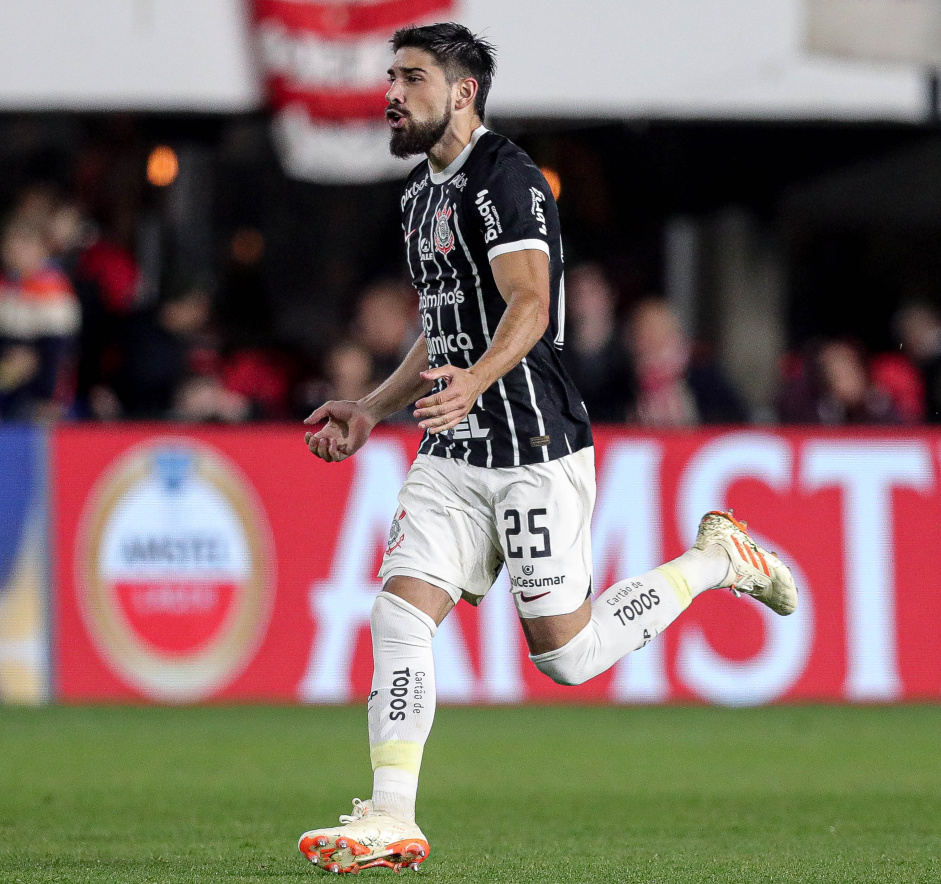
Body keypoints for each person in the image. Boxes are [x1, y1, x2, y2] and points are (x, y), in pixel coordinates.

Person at [298, 23, 798, 875]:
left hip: (533, 444)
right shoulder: (421, 194)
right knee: (397, 611)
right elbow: (442, 325)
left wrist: (478, 381)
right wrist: (376, 408)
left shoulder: (509, 179)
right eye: (390, 77)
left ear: (462, 92)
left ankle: (717, 561)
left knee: (565, 655)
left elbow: (528, 304)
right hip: (454, 454)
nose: (391, 93)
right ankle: (391, 817)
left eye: (411, 78)